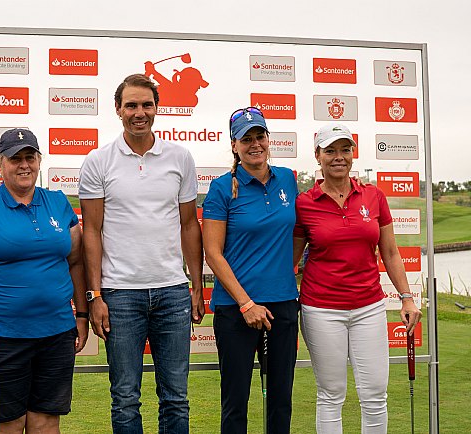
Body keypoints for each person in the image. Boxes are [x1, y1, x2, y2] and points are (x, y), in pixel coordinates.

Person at [79, 73, 204, 434]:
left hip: (172, 291)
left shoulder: (180, 157)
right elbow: (92, 231)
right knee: (125, 399)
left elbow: (188, 225)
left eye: (146, 104)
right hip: (119, 296)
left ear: (157, 108)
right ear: (117, 109)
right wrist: (96, 295)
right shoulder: (98, 161)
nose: (139, 112)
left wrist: (196, 286)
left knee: (176, 399)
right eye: (131, 105)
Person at [0, 129, 88, 434]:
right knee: (7, 425)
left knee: (46, 422)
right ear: (0, 163)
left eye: (30, 157)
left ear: (39, 161)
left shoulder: (58, 202)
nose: (24, 165)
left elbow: (76, 261)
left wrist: (81, 314)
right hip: (3, 337)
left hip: (57, 333)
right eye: (15, 159)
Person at [293, 123, 422, 433]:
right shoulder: (304, 203)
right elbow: (291, 260)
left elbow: (390, 253)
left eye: (345, 149)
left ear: (353, 154)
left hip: (369, 308)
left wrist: (406, 296)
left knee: (375, 395)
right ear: (318, 156)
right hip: (321, 309)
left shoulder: (374, 196)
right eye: (331, 150)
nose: (339, 156)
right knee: (331, 395)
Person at [202, 107, 300, 433]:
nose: (254, 144)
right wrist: (246, 303)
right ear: (234, 145)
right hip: (236, 310)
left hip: (282, 305)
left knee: (281, 400)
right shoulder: (221, 188)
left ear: (268, 139)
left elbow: (299, 233)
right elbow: (213, 254)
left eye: (259, 136)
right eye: (246, 139)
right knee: (235, 402)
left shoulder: (287, 179)